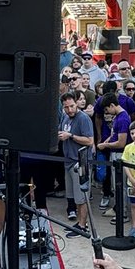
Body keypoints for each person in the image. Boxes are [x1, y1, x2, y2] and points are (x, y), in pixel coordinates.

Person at [58, 92, 95, 238]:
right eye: (66, 107)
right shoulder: (65, 117)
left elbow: (90, 141)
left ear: (76, 103)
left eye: (72, 106)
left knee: (81, 197)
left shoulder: (83, 118)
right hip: (68, 161)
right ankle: (80, 222)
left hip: (81, 162)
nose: (69, 110)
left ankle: (82, 226)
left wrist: (71, 136)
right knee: (73, 195)